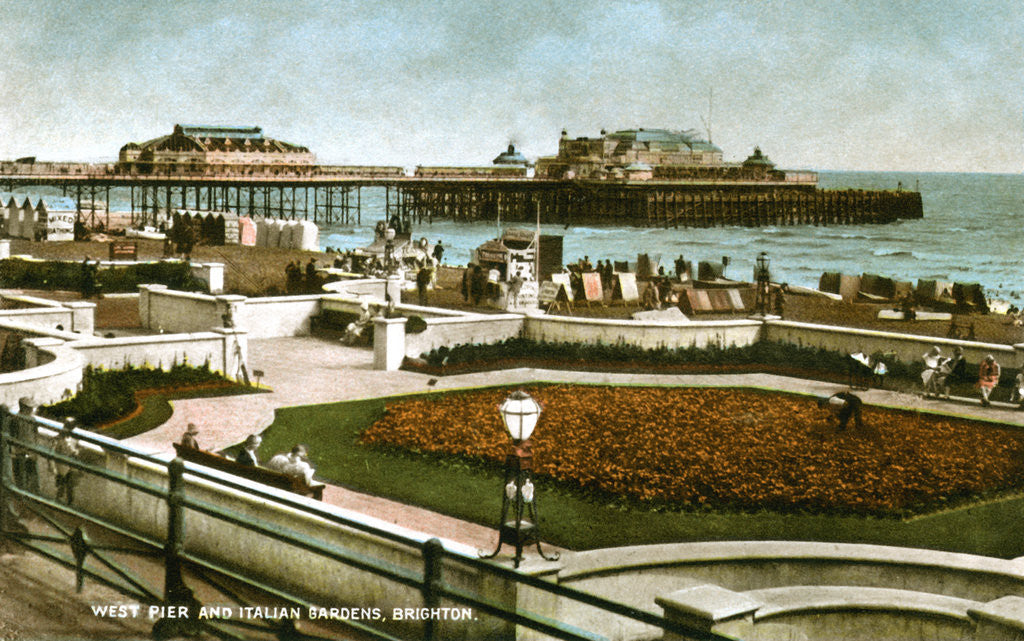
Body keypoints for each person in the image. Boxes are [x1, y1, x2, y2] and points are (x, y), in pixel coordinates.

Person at [49, 417, 81, 505]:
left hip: (71, 465)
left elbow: (77, 451)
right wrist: (53, 467)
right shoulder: (58, 438)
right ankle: (57, 504)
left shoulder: (74, 438)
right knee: (61, 488)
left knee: (70, 488)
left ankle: (69, 505)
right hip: (61, 466)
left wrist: (75, 452)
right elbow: (52, 452)